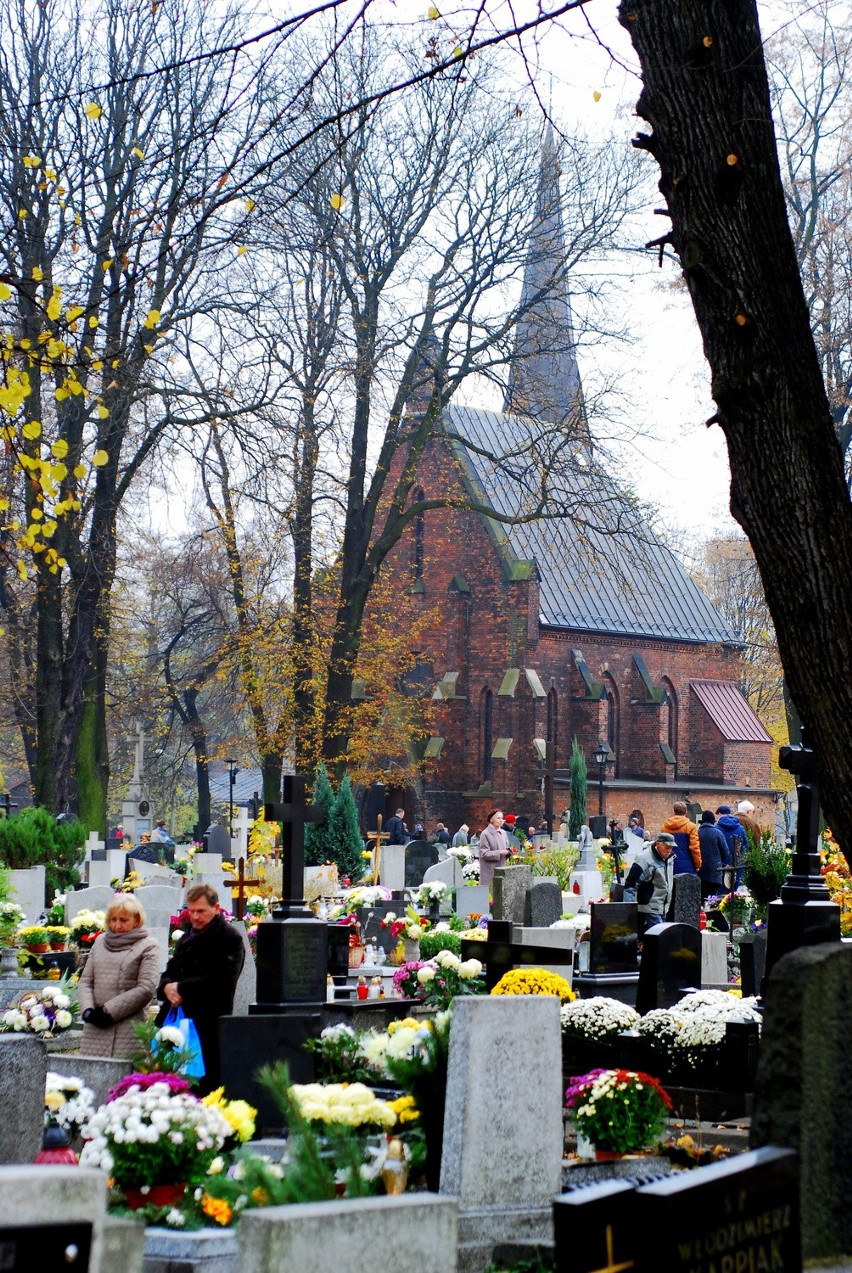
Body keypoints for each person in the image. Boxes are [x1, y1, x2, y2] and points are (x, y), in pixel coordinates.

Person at [155, 883, 245, 1096]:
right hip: (179, 1020)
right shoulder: (188, 936)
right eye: (191, 911)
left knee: (204, 1085)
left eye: (201, 911)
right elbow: (171, 970)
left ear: (216, 908)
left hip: (208, 1024)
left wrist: (180, 988)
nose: (195, 917)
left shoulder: (229, 937)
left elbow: (222, 981)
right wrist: (167, 986)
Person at [78, 895, 160, 1059]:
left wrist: (109, 1011)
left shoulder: (148, 945)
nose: (116, 925)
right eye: (113, 919)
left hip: (128, 1028)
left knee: (123, 1080)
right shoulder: (100, 942)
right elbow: (86, 981)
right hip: (96, 1026)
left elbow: (146, 988)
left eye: (123, 920)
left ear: (136, 920)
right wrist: (88, 1010)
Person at [623, 832, 676, 933]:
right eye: (667, 847)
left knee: (657, 938)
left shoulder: (669, 858)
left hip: (663, 906)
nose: (669, 851)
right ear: (658, 844)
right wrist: (628, 910)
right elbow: (631, 884)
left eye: (671, 848)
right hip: (650, 906)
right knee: (660, 937)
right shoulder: (644, 859)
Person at [659, 802, 701, 875]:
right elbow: (694, 848)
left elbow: (660, 847)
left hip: (669, 865)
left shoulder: (665, 827)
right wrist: (698, 864)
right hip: (688, 865)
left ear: (674, 812)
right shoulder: (691, 827)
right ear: (686, 812)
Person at [697, 811, 730, 900]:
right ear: (713, 821)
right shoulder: (718, 833)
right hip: (715, 872)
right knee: (712, 898)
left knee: (701, 898)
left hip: (700, 871)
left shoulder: (697, 833)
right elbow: (726, 852)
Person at [715, 806, 747, 888]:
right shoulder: (740, 828)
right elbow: (745, 847)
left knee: (721, 895)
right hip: (737, 864)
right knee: (735, 893)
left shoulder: (716, 829)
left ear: (719, 814)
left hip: (721, 865)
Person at [477, 809, 510, 885]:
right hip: (489, 870)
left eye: (502, 818)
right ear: (492, 820)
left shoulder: (503, 833)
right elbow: (484, 854)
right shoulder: (485, 834)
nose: (501, 820)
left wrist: (509, 852)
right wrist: (499, 852)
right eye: (498, 818)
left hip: (502, 869)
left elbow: (507, 847)